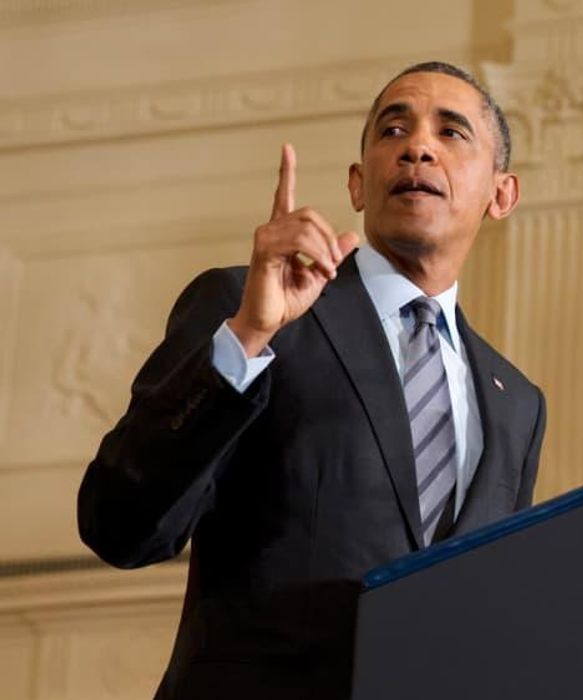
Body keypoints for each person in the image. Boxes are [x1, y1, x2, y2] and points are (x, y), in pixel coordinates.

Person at [77, 62, 547, 700]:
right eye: (393, 129)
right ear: (358, 185)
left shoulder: (516, 405)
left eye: (452, 132)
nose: (417, 146)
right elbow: (120, 525)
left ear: (502, 194)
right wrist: (246, 337)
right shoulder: (253, 308)